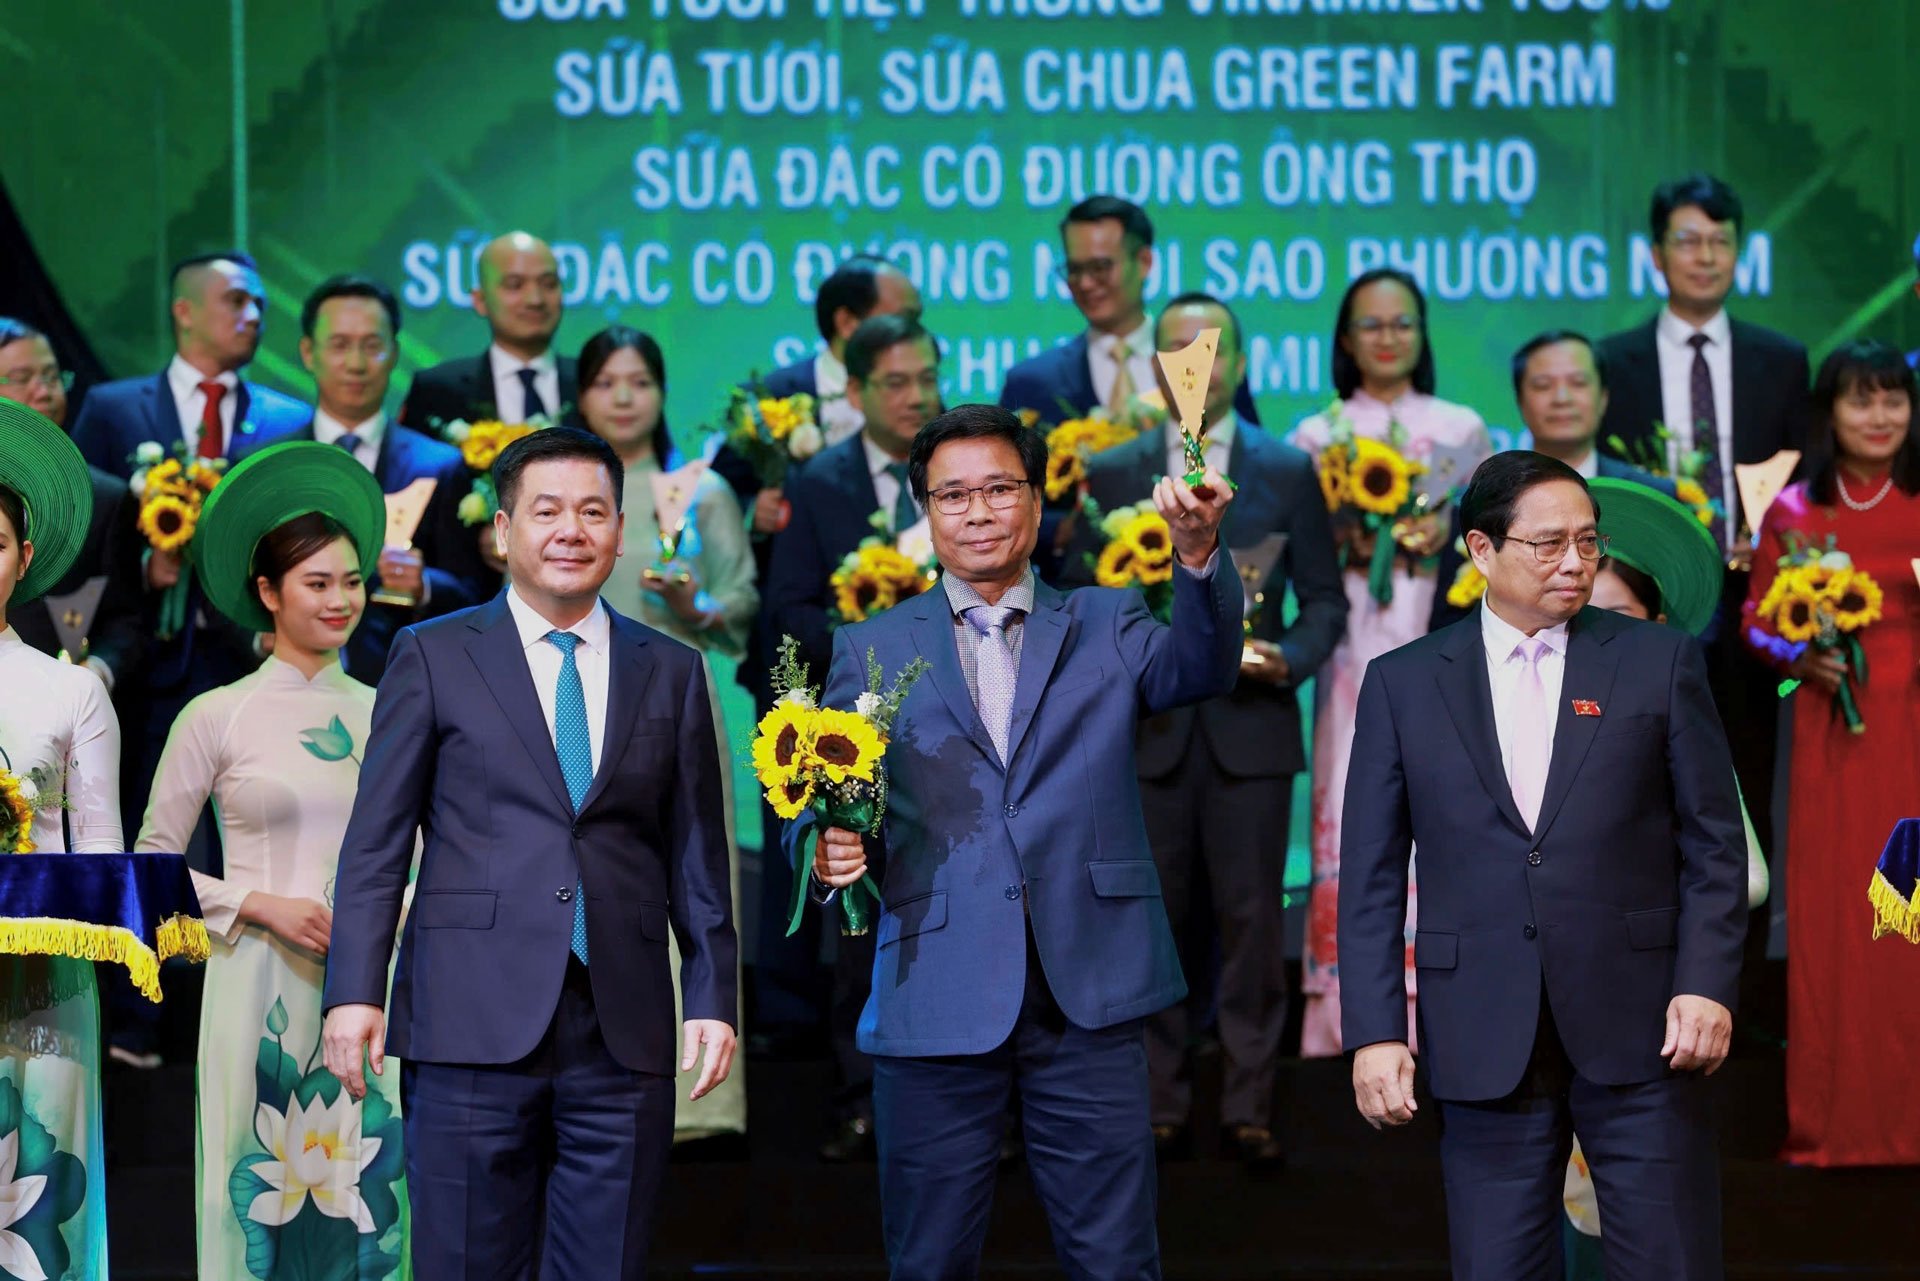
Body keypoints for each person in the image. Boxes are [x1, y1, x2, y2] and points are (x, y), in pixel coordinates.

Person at [801, 403, 1242, 1278]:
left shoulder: (1108, 622)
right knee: (928, 1261)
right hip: (937, 986)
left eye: (1000, 488)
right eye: (952, 493)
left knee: (1116, 1260)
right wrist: (820, 850)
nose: (976, 511)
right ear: (924, 512)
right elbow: (825, 796)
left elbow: (1204, 666)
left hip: (1088, 983)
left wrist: (1196, 555)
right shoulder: (869, 647)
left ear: (1037, 504)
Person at [321, 427, 737, 1278]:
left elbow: (696, 847)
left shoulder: (673, 669)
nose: (570, 530)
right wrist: (355, 989)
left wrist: (712, 992)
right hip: (467, 1017)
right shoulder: (432, 654)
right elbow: (376, 842)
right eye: (546, 511)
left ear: (620, 529)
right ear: (504, 531)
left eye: (592, 511)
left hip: (621, 1025)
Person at [1341, 450, 1746, 1279]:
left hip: (1643, 1024)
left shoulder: (1657, 660)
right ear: (1482, 550)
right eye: (1550, 543)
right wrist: (1377, 1031)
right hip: (1482, 1026)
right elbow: (1372, 876)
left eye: (1589, 542)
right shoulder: (1403, 682)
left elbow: (1714, 842)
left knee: (1670, 1260)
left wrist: (1705, 980)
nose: (1576, 563)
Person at [1075, 293, 1347, 1165]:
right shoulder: (1113, 471)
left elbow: (1328, 601)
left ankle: (1248, 1103)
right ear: (1149, 366)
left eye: (1212, 349)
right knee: (1147, 921)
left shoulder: (1288, 467)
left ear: (1239, 364)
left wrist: (1287, 658)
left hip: (1251, 730)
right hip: (1146, 733)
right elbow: (1088, 604)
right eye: (1175, 349)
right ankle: (1157, 1100)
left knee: (1251, 924)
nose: (1196, 363)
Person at [134, 441, 409, 1276]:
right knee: (255, 1185)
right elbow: (151, 866)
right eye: (317, 583)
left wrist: (384, 932)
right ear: (267, 592)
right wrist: (259, 904)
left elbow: (421, 857)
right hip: (254, 975)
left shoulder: (392, 708)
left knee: (373, 1197)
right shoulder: (215, 715)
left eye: (351, 581)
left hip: (376, 985)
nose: (341, 600)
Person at [1286, 267, 1492, 1056]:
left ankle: (1447, 996)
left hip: (1434, 630)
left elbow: (1486, 545)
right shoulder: (1316, 434)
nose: (1387, 338)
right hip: (1349, 642)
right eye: (1371, 325)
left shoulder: (1462, 428)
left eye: (1402, 323)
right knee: (1349, 792)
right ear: (1345, 339)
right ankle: (1343, 1012)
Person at [67, 253, 308, 882]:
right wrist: (145, 569)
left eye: (260, 304)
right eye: (236, 300)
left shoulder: (288, 420)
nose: (253, 316)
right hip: (141, 667)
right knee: (149, 841)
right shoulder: (113, 406)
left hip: (249, 662)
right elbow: (83, 541)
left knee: (250, 848)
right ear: (184, 310)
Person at [761, 312, 940, 1156]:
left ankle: (975, 1097)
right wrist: (870, 617)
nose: (915, 397)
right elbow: (785, 614)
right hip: (854, 738)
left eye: (926, 378)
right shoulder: (820, 482)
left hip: (957, 730)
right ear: (857, 390)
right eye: (895, 383)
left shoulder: (960, 468)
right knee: (862, 915)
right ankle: (861, 1092)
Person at [1596, 173, 1811, 873]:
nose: (1707, 256)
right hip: (1650, 607)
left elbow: (1802, 480)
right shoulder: (1612, 363)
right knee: (1637, 794)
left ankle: (1741, 979)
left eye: (1722, 241)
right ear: (1656, 254)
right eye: (1689, 241)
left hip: (1752, 610)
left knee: (1746, 795)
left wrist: (1771, 535)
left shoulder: (1780, 360)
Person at [1742, 339, 1920, 1167]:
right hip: (1828, 736)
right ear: (1830, 412)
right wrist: (1793, 658)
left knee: (1907, 925)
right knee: (1835, 925)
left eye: (1894, 399)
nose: (1879, 416)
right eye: (1861, 400)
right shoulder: (1794, 513)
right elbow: (1753, 624)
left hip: (1911, 732)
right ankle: (1828, 1124)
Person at [578, 325, 755, 1147]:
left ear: (660, 392)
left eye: (639, 381)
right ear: (581, 396)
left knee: (692, 886)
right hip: (572, 708)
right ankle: (592, 1072)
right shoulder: (567, 491)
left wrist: (695, 607)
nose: (623, 396)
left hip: (675, 708)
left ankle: (699, 1096)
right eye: (607, 381)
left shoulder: (700, 488)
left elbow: (739, 605)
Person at [0, 400, 121, 1279]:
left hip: (41, 985)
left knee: (39, 1190)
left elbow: (102, 862)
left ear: (24, 558)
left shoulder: (69, 690)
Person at [294, 275, 491, 682]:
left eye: (372, 345)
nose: (356, 363)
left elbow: (474, 589)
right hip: (288, 684)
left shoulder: (440, 464)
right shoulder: (270, 463)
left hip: (405, 684)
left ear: (395, 351)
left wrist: (425, 585)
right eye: (339, 345)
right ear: (308, 352)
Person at [1430, 331, 1673, 632]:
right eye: (1544, 385)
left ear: (1604, 397)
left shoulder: (1653, 497)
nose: (1562, 398)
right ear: (1519, 400)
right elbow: (1450, 620)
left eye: (1578, 383)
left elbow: (1693, 611)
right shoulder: (1479, 502)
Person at [998, 196, 1260, 427]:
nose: (1086, 283)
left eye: (1100, 267)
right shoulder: (1031, 382)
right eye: (1074, 270)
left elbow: (1247, 457)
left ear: (1144, 262)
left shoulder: (1207, 364)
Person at [0, 318, 141, 691]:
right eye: (22, 377)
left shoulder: (105, 497)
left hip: (54, 710)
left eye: (51, 376)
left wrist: (96, 671)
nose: (43, 391)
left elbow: (127, 618)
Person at [397, 231, 577, 430]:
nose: (535, 299)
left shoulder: (592, 382)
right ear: (480, 300)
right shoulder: (435, 390)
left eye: (549, 284)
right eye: (515, 285)